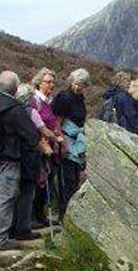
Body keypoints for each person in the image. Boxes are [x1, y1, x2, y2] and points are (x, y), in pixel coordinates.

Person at [0, 71, 39, 253]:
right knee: (5, 199)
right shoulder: (15, 108)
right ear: (14, 89)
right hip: (8, 160)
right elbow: (32, 136)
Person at [11, 84, 50, 240]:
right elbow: (42, 130)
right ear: (28, 98)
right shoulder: (31, 112)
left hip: (13, 156)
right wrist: (53, 139)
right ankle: (23, 228)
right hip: (30, 157)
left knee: (14, 194)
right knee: (27, 194)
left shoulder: (12, 111)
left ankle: (11, 227)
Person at [52, 68, 91, 219]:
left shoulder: (80, 99)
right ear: (71, 81)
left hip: (77, 142)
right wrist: (60, 142)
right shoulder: (64, 97)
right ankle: (64, 214)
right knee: (66, 180)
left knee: (74, 179)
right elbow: (57, 122)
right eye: (76, 83)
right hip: (67, 141)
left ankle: (72, 214)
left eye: (81, 84)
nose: (78, 87)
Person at [29, 68, 63, 227]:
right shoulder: (34, 100)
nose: (52, 85)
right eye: (48, 82)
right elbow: (34, 124)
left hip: (49, 148)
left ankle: (40, 215)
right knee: (38, 181)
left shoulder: (49, 101)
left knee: (45, 181)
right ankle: (34, 217)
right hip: (39, 148)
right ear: (39, 83)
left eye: (53, 82)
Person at [101, 72, 138, 136]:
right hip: (122, 130)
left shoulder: (109, 94)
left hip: (109, 128)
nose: (128, 84)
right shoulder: (124, 96)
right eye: (127, 81)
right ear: (121, 82)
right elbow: (130, 115)